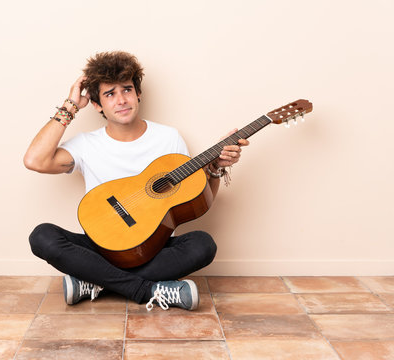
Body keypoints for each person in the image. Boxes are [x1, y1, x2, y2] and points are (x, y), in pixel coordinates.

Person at [24, 51, 248, 311]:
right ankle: (148, 291)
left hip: (153, 248)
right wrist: (70, 105)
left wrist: (216, 169)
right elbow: (34, 161)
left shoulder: (168, 138)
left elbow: (198, 201)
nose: (121, 100)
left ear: (138, 93)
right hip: (101, 248)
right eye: (109, 94)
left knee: (203, 244)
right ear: (97, 105)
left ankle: (95, 282)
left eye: (127, 89)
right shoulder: (86, 144)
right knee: (42, 236)